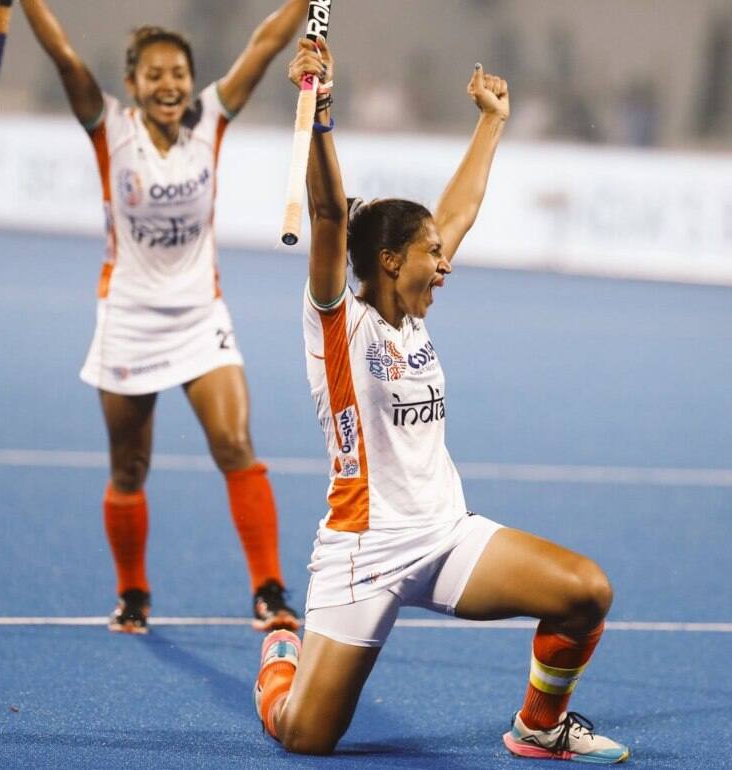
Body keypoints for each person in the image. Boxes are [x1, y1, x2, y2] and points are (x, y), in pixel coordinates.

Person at [253, 37, 630, 764]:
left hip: (444, 536)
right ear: (390, 261)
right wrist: (322, 110)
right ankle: (279, 658)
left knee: (584, 591)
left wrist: (491, 122)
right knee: (306, 736)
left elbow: (457, 210)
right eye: (433, 252)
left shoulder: (413, 313)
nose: (446, 260)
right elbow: (330, 213)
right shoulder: (338, 322)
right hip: (363, 550)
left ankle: (538, 726)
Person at [18, 0, 309, 634]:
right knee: (129, 468)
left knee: (235, 444)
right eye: (154, 74)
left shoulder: (210, 120)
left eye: (178, 72)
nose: (169, 84)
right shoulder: (109, 129)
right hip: (127, 317)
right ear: (132, 84)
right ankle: (132, 594)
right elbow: (65, 57)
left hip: (201, 317)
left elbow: (262, 46)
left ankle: (268, 590)